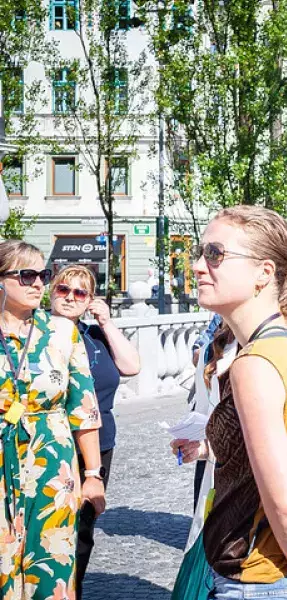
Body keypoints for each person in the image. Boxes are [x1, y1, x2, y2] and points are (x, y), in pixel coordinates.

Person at [179, 206, 287, 600]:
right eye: (201, 254)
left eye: (216, 254)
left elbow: (284, 502)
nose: (200, 266)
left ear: (264, 273)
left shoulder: (254, 364)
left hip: (260, 577)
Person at [0, 241, 105, 599]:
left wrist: (93, 475)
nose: (37, 284)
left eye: (42, 275)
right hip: (2, 463)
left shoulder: (62, 332)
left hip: (53, 467)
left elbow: (84, 407)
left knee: (53, 563)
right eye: (25, 275)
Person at [48, 265, 141, 598]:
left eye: (80, 293)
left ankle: (75, 589)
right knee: (47, 525)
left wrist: (105, 322)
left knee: (84, 526)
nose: (70, 298)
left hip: (99, 444)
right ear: (51, 291)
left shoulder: (94, 335)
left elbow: (131, 366)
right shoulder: (37, 333)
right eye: (63, 290)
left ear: (89, 300)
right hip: (52, 442)